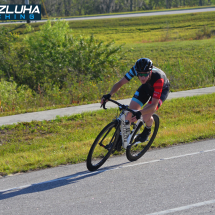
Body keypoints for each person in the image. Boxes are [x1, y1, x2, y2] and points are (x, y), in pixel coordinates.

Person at [101, 58, 170, 142]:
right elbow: (120, 83)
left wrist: (140, 113)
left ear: (150, 71)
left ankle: (147, 129)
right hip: (146, 87)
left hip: (161, 90)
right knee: (130, 113)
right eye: (140, 75)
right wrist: (109, 95)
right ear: (137, 72)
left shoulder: (158, 78)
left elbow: (153, 106)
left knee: (145, 116)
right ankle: (124, 138)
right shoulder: (135, 70)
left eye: (145, 74)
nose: (142, 77)